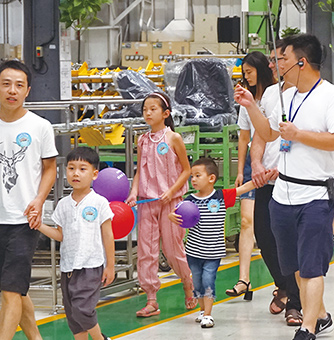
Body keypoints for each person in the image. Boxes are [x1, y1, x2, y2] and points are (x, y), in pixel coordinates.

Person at [234, 34, 334, 340]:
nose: (276, 65)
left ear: (301, 62)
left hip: (316, 194)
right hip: (282, 195)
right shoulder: (286, 96)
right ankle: (320, 315)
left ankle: (308, 327)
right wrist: (251, 106)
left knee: (312, 267)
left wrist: (298, 135)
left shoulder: (332, 97)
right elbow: (268, 133)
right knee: (295, 267)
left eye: (282, 59)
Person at [0, 60, 57, 340]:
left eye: (19, 85)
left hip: (24, 220)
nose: (12, 90)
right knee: (16, 288)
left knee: (10, 289)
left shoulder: (40, 126)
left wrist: (39, 200)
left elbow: (50, 168)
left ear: (28, 91)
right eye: (6, 84)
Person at [125, 92, 194, 317]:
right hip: (147, 203)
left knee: (172, 250)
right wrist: (134, 192)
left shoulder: (173, 138)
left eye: (153, 109)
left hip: (171, 203)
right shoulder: (142, 140)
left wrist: (171, 191)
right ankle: (151, 299)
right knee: (146, 251)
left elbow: (186, 170)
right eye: (145, 109)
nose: (148, 113)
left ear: (165, 114)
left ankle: (188, 284)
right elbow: (139, 171)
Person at [248, 40, 303, 325]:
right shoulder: (270, 93)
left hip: (294, 180)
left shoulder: (308, 95)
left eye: (278, 59)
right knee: (264, 236)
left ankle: (295, 302)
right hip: (266, 180)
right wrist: (256, 163)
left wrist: (284, 168)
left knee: (290, 241)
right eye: (272, 59)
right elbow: (261, 134)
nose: (273, 64)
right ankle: (283, 284)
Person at [35, 147, 114, 340]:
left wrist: (110, 266)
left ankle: (100, 338)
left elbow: (108, 235)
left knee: (82, 309)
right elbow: (60, 235)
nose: (75, 173)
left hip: (90, 266)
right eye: (71, 168)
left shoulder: (99, 202)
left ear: (94, 174)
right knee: (72, 315)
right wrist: (39, 225)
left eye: (82, 169)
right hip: (68, 267)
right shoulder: (63, 204)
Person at [168, 157, 255, 329]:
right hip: (193, 252)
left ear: (211, 178)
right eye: (192, 176)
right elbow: (174, 213)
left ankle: (208, 314)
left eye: (197, 175)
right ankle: (202, 311)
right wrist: (172, 216)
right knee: (198, 283)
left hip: (213, 253)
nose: (193, 179)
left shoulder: (221, 197)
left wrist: (261, 178)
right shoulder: (189, 200)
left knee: (208, 281)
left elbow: (243, 189)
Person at [230, 51, 275, 300]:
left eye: (250, 72)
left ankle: (281, 281)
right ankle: (243, 279)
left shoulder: (276, 96)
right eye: (244, 73)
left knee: (273, 225)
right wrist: (240, 170)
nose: (246, 76)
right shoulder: (246, 99)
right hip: (252, 164)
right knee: (247, 222)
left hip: (275, 163)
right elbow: (244, 137)